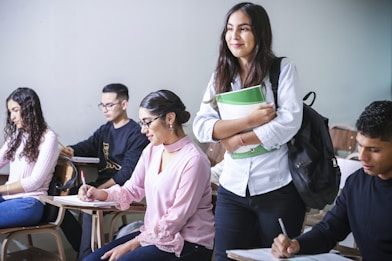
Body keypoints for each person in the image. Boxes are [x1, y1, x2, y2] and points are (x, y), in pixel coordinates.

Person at [192, 2, 306, 260]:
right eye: (230, 29)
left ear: (259, 33)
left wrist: (238, 139)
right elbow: (202, 126)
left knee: (275, 257)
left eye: (243, 29)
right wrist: (249, 121)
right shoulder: (220, 75)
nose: (234, 36)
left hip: (276, 187)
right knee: (224, 257)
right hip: (233, 187)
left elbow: (289, 122)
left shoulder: (282, 69)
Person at [79, 89, 215, 261]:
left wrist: (131, 244)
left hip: (189, 243)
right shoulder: (152, 150)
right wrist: (100, 193)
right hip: (154, 236)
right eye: (141, 123)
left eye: (147, 122)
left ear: (170, 118)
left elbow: (175, 219)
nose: (143, 130)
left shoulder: (194, 160)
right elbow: (132, 189)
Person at [272, 100, 392, 260]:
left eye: (374, 150)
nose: (362, 156)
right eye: (360, 146)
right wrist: (296, 245)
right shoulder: (356, 184)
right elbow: (329, 230)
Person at [59, 83, 149, 260]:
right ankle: (83, 249)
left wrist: (100, 190)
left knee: (89, 210)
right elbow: (88, 145)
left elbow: (126, 174)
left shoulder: (136, 133)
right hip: (101, 185)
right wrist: (70, 150)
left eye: (109, 105)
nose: (105, 110)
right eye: (102, 105)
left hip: (122, 189)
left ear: (124, 104)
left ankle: (84, 256)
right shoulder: (105, 130)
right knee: (62, 200)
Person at [0, 87, 59, 228]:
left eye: (15, 110)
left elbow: (34, 182)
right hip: (8, 199)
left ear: (28, 108)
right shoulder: (16, 137)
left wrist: (1, 188)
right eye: (10, 112)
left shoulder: (48, 137)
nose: (12, 117)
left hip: (30, 203)